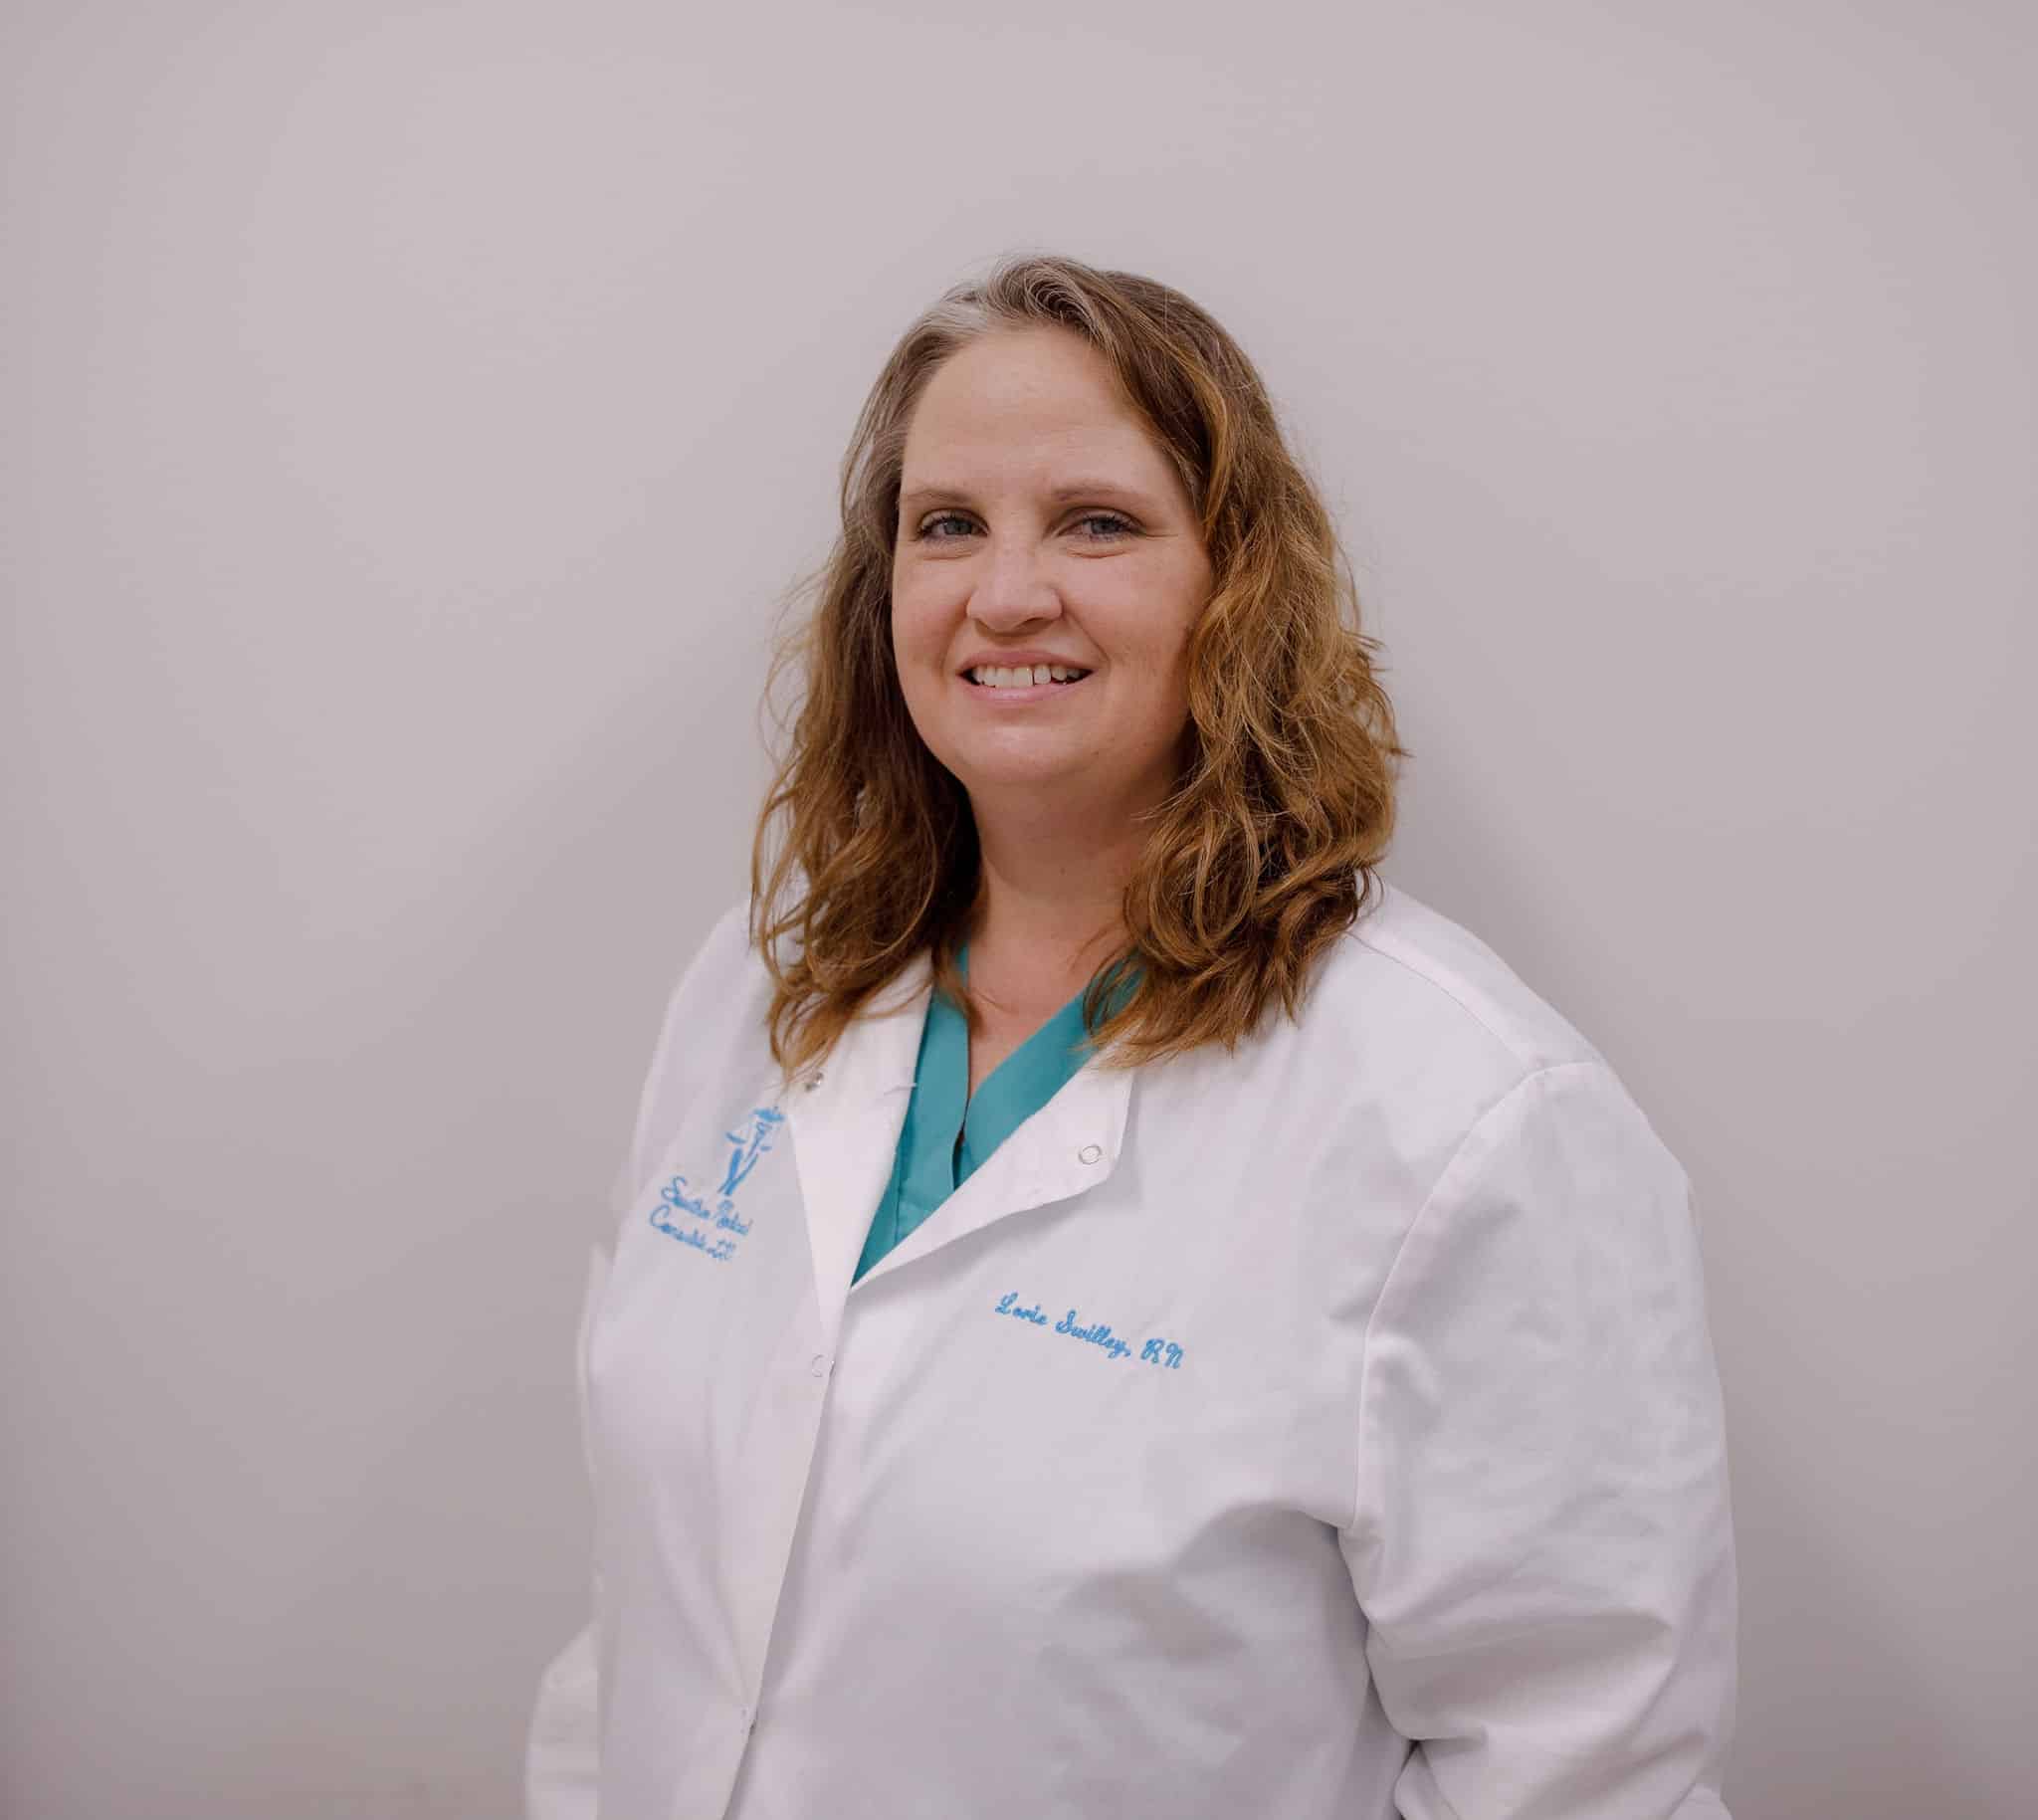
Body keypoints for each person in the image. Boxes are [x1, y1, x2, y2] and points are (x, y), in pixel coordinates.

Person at [524, 252, 1739, 1820]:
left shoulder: (1470, 1118)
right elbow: (646, 1615)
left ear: (1237, 585)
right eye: (946, 524)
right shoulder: (762, 992)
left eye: (1095, 522)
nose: (1005, 592)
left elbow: (1584, 1772)